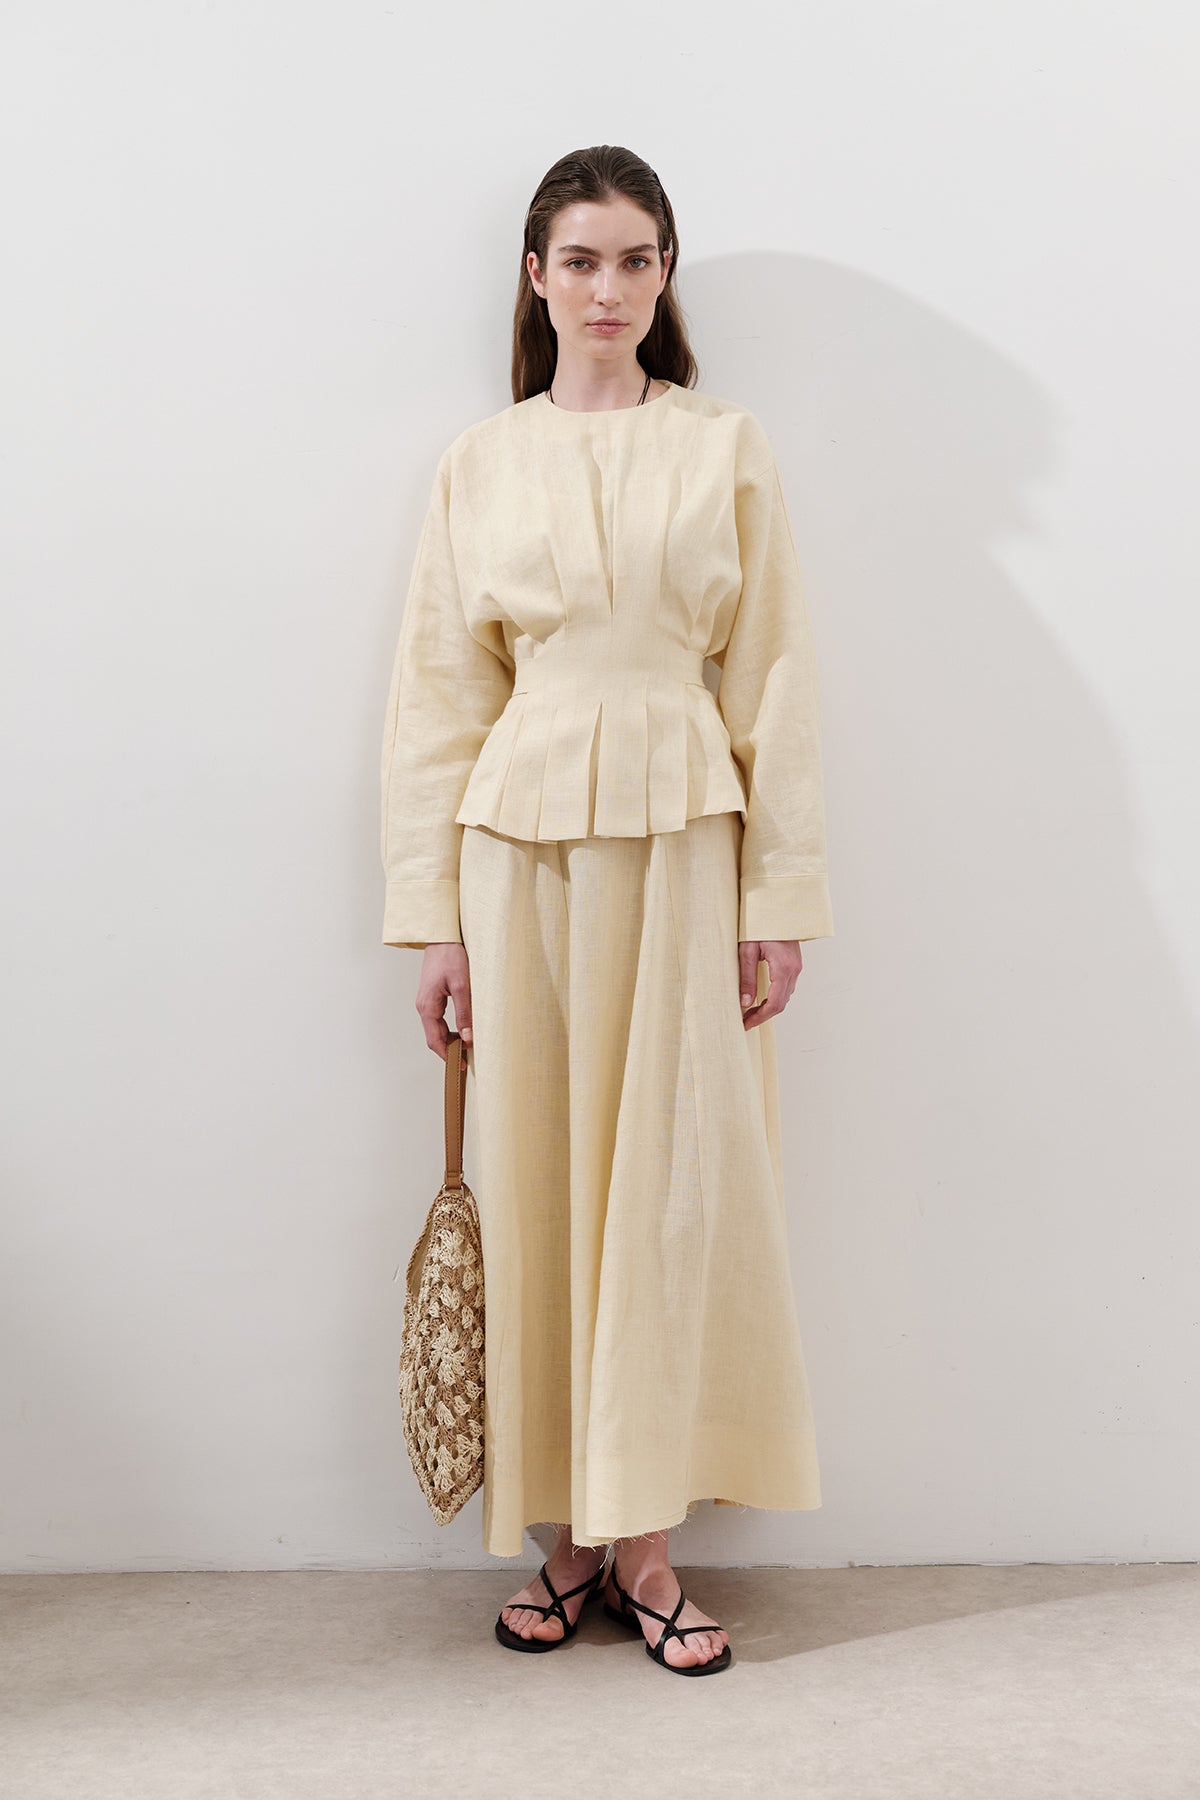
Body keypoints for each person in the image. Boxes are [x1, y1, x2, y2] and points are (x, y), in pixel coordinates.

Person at [379, 144, 834, 1677]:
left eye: (637, 260)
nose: (609, 288)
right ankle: (564, 1536)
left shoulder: (725, 448)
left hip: (686, 838)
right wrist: (433, 923)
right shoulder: (480, 462)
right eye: (581, 260)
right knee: (537, 1177)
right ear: (536, 275)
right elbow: (438, 702)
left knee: (674, 1183)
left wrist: (778, 896)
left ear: (664, 276)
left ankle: (644, 1543)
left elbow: (775, 677)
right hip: (515, 853)